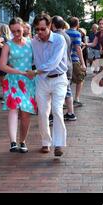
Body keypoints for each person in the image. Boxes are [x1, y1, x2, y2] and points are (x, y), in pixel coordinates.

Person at [26, 12, 68, 157]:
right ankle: (46, 142)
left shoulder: (59, 40)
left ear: (50, 26)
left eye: (42, 29)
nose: (39, 32)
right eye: (37, 29)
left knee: (57, 110)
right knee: (43, 112)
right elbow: (25, 55)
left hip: (59, 79)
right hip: (42, 81)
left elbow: (54, 62)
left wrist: (36, 71)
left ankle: (59, 144)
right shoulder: (34, 42)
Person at [0, 17, 36, 153]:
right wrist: (20, 72)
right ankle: (13, 142)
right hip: (13, 81)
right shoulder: (7, 45)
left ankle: (23, 141)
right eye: (13, 31)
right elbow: (2, 66)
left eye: (18, 31)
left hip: (28, 82)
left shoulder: (31, 43)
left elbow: (38, 61)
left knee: (26, 112)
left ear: (24, 28)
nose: (16, 34)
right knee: (13, 108)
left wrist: (35, 72)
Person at [51, 16, 77, 122]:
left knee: (58, 92)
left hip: (61, 67)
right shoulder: (66, 35)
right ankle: (70, 113)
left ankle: (55, 115)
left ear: (52, 24)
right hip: (68, 65)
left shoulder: (55, 36)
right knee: (67, 91)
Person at [66, 17, 87, 107]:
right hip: (74, 60)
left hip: (65, 60)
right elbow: (78, 48)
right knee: (80, 79)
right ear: (77, 24)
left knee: (67, 81)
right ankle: (76, 99)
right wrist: (83, 63)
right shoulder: (77, 34)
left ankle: (65, 100)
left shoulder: (65, 32)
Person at [0, 24, 10, 94]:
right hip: (4, 58)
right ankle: (6, 94)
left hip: (0, 59)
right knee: (4, 79)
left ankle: (6, 95)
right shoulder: (7, 38)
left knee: (2, 79)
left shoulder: (2, 37)